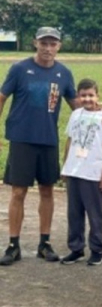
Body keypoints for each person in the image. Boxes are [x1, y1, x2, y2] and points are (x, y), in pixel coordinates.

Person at [0, 27, 78, 266]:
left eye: (52, 43)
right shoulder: (20, 69)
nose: (47, 48)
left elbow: (77, 105)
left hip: (48, 140)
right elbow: (2, 98)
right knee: (18, 192)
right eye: (43, 43)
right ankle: (13, 245)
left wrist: (99, 114)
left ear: (59, 46)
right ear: (35, 43)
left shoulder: (64, 74)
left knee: (47, 191)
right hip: (22, 138)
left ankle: (44, 243)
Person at [59, 79, 102, 266]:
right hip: (74, 170)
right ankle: (76, 248)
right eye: (83, 95)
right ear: (78, 96)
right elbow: (69, 140)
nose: (87, 99)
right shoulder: (75, 114)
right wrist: (65, 165)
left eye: (91, 95)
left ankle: (97, 249)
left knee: (94, 213)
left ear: (97, 95)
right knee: (74, 212)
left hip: (93, 172)